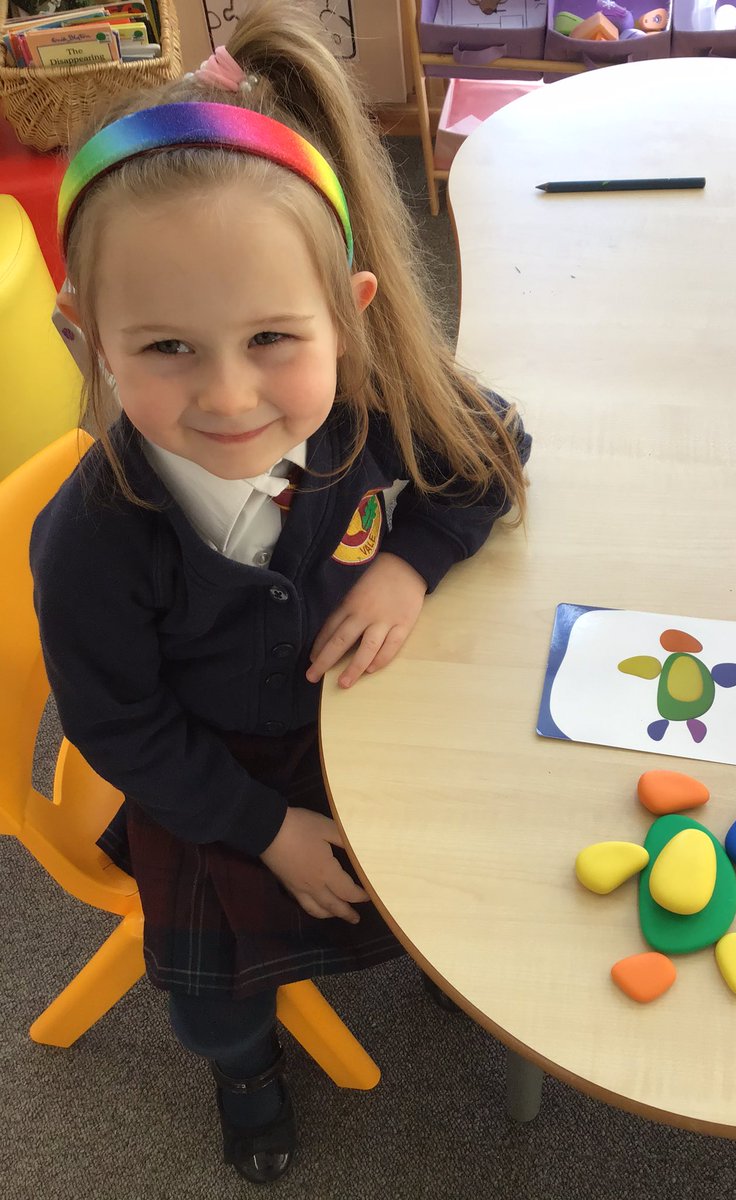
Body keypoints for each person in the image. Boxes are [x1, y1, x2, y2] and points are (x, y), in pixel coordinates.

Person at [30, 0, 531, 1185]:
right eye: (164, 349)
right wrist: (264, 828)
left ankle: (429, 960)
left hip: (363, 727)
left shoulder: (366, 413)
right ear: (84, 334)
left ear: (349, 319)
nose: (230, 397)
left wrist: (413, 561)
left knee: (432, 869)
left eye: (271, 338)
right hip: (209, 783)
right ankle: (243, 1070)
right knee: (211, 986)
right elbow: (120, 727)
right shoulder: (92, 542)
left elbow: (492, 451)